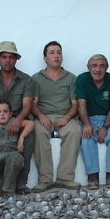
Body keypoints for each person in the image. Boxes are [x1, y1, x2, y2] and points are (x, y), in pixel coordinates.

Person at [0, 41, 35, 194]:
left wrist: (18, 120)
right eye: (4, 57)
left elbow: (27, 105)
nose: (7, 60)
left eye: (11, 57)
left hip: (18, 119)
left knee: (29, 135)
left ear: (16, 59)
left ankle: (21, 183)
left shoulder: (26, 80)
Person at [31, 41, 81, 191]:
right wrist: (40, 116)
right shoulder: (37, 78)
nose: (56, 56)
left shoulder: (71, 78)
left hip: (64, 116)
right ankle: (45, 180)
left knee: (74, 131)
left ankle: (64, 178)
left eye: (59, 52)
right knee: (38, 131)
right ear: (45, 58)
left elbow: (75, 104)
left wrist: (66, 117)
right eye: (52, 53)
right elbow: (33, 104)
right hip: (44, 116)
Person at [77, 54, 110, 190]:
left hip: (108, 118)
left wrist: (105, 127)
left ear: (107, 68)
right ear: (88, 67)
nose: (98, 69)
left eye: (102, 66)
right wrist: (86, 124)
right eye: (94, 66)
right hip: (89, 118)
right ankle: (92, 176)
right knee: (86, 135)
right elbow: (81, 104)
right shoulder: (82, 79)